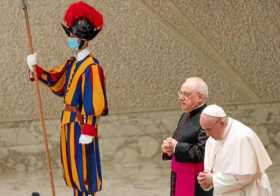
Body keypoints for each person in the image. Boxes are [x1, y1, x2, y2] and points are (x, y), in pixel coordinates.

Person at [26, 1, 108, 196]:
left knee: (84, 172)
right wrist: (35, 68)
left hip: (81, 124)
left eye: (74, 35)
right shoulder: (73, 63)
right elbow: (58, 83)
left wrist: (89, 130)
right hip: (68, 123)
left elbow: (93, 102)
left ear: (83, 39)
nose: (70, 38)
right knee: (72, 168)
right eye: (70, 34)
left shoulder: (92, 67)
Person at [197, 104, 272, 196]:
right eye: (204, 130)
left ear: (222, 123)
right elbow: (210, 171)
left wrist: (213, 179)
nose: (207, 134)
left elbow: (246, 177)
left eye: (209, 129)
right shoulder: (212, 140)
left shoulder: (242, 137)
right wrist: (206, 180)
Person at [161, 77, 213, 196]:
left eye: (186, 94)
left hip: (196, 183)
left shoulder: (208, 117)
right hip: (179, 176)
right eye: (180, 93)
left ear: (200, 97)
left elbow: (203, 151)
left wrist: (177, 147)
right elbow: (177, 141)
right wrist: (168, 149)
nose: (181, 98)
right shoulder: (185, 115)